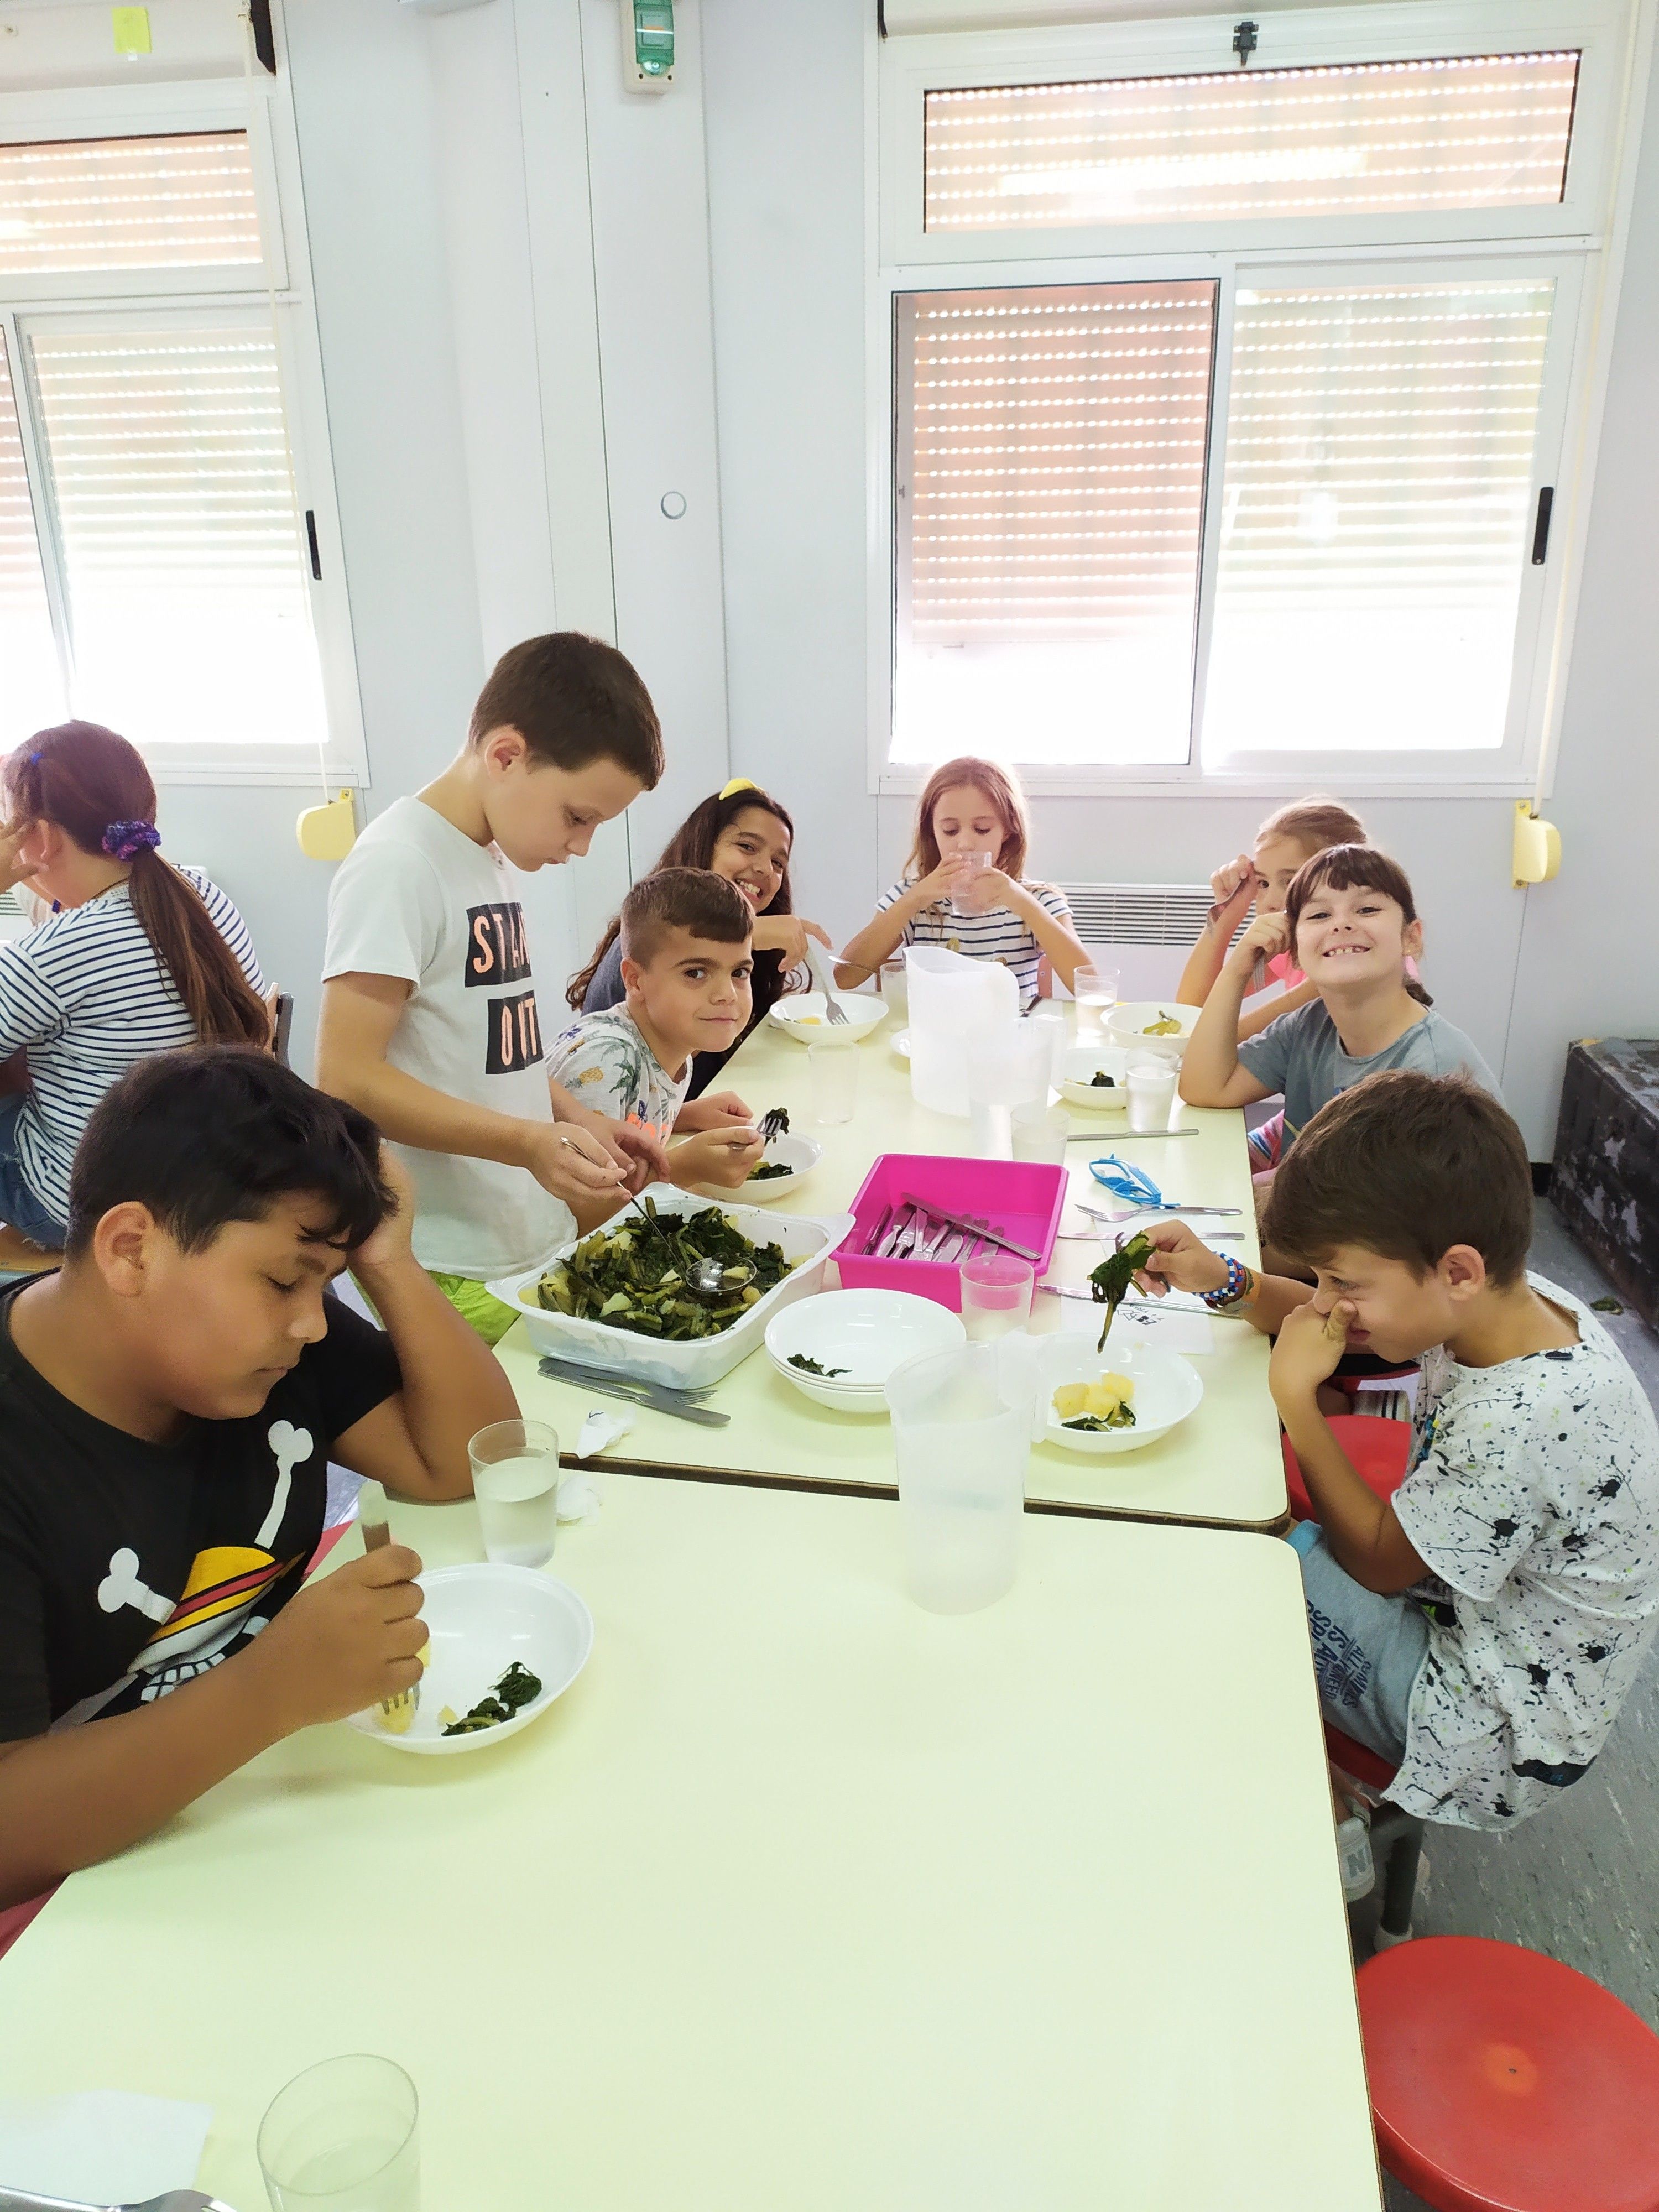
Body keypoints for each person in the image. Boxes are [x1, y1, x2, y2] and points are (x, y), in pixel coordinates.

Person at [0, 1046, 519, 1907]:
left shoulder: (270, 1347)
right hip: (108, 1900)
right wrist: (268, 1692)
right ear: (131, 1249)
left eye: (327, 1284)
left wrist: (386, 1263)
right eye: (285, 1280)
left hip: (273, 1818)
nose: (313, 1323)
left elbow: (465, 1458)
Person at [1133, 1072, 1659, 1837]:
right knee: (1231, 1508)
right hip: (1474, 1621)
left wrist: (1296, 1402)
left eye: (1341, 1281)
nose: (1325, 1300)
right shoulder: (1501, 1299)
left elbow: (1380, 1565)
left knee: (1224, 1547)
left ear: (1457, 1272)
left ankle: (1316, 1812)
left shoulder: (1522, 1422)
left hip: (1486, 1733)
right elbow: (1334, 1324)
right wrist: (1227, 1282)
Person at [316, 633, 671, 1347]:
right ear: (506, 755)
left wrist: (578, 1119)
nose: (582, 845)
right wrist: (526, 1143)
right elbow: (345, 1079)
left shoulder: (486, 854)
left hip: (521, 1232)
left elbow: (499, 1052)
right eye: (578, 816)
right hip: (452, 1259)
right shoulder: (399, 865)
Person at [0, 722, 269, 1256]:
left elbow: (63, 959)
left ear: (41, 838)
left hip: (85, 1207)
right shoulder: (201, 896)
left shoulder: (51, 955)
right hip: (207, 1183)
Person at [1178, 843, 1496, 1156]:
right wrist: (1238, 965)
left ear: (1410, 938)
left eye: (1367, 909)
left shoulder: (1430, 1075)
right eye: (1320, 914)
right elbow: (1204, 1087)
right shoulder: (1308, 1027)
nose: (1341, 923)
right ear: (1294, 950)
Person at [567, 778, 831, 1113]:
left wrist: (686, 1116)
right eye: (747, 847)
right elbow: (610, 1133)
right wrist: (751, 933)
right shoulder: (610, 1050)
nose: (766, 869)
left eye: (779, 863)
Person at [547, 869, 764, 1200]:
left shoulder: (675, 1049)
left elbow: (627, 1123)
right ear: (635, 981)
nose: (727, 995)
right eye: (696, 973)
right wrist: (683, 1168)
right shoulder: (605, 1062)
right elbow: (583, 1209)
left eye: (740, 972)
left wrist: (684, 1115)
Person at [837, 756, 1088, 1002]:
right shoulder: (912, 895)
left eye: (982, 829)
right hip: (932, 1028)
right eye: (950, 830)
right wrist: (914, 899)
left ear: (1008, 830)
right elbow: (845, 977)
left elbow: (1090, 989)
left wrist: (1023, 903)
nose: (965, 843)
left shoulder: (1038, 899)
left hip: (1010, 1029)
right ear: (932, 831)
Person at [1176, 796, 1368, 1046]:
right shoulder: (1292, 946)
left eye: (1290, 882)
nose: (1271, 903)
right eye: (1263, 883)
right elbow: (1192, 1009)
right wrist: (1226, 913)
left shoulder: (1346, 958)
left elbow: (1213, 1038)